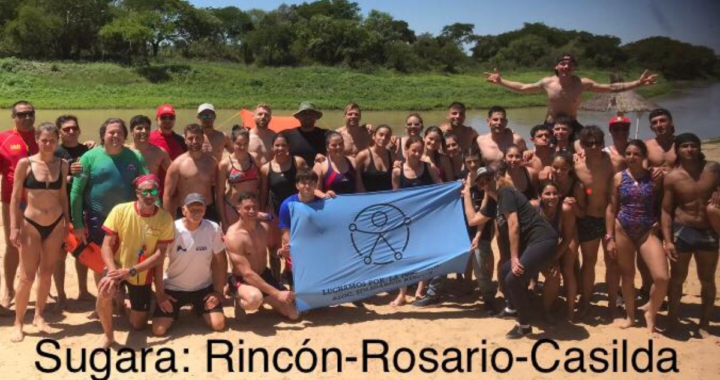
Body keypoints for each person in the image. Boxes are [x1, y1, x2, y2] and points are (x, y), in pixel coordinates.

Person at [465, 163, 558, 339]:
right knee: (504, 270)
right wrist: (466, 196)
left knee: (513, 278)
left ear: (496, 178)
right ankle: (512, 307)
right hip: (533, 244)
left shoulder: (505, 193)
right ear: (480, 186)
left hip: (543, 240)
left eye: (489, 178)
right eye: (482, 182)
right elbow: (473, 220)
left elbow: (513, 225)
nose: (487, 183)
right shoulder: (494, 202)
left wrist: (515, 257)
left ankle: (524, 326)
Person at [485, 54, 657, 138]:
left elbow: (611, 87)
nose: (566, 66)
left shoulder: (582, 83)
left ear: (573, 67)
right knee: (544, 151)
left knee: (590, 143)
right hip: (551, 124)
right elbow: (523, 87)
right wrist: (501, 81)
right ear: (557, 66)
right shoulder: (547, 82)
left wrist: (638, 83)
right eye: (563, 63)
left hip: (573, 124)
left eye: (569, 64)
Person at [95, 174, 174, 348]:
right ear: (137, 193)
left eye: (153, 191)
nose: (149, 195)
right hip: (117, 266)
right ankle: (108, 335)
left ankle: (127, 301)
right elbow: (106, 245)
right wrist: (112, 271)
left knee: (138, 325)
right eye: (145, 191)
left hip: (141, 274)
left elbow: (160, 255)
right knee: (105, 291)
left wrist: (131, 271)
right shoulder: (120, 210)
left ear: (158, 193)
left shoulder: (165, 218)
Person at [9, 123, 70, 342]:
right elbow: (15, 198)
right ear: (37, 139)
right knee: (26, 277)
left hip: (55, 223)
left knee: (46, 272)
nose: (47, 144)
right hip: (31, 224)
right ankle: (18, 322)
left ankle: (39, 315)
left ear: (57, 141)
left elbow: (63, 196)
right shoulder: (25, 164)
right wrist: (14, 227)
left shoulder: (62, 165)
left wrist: (67, 224)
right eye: (44, 140)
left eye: (52, 140)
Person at [71, 118, 148, 281]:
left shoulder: (135, 157)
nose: (115, 135)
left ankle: (120, 299)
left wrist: (155, 215)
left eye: (119, 132)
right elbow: (76, 192)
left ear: (125, 136)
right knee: (101, 261)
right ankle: (105, 299)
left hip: (128, 218)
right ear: (103, 135)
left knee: (127, 257)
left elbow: (149, 187)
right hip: (97, 216)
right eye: (111, 132)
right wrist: (77, 224)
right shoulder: (88, 157)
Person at [661, 133, 720, 338]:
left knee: (707, 279)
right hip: (683, 229)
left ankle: (704, 323)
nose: (689, 150)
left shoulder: (713, 169)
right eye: (684, 146)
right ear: (677, 150)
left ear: (699, 148)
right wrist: (668, 240)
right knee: (677, 279)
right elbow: (666, 210)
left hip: (708, 230)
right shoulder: (673, 177)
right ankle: (672, 319)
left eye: (693, 146)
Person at [606, 140, 668, 334]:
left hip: (647, 230)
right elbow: (611, 208)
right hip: (622, 227)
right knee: (627, 275)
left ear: (644, 156)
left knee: (662, 277)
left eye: (636, 154)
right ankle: (631, 317)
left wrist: (659, 221)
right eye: (628, 153)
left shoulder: (655, 177)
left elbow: (663, 203)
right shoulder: (618, 177)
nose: (631, 157)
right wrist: (610, 237)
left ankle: (651, 311)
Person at [152, 193, 226, 336]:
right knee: (158, 330)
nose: (196, 213)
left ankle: (198, 308)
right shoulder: (172, 229)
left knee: (218, 325)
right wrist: (160, 295)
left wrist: (218, 292)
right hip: (174, 288)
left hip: (203, 288)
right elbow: (158, 263)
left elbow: (221, 262)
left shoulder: (213, 228)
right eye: (192, 209)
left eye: (200, 209)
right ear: (183, 210)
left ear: (205, 210)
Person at [227, 192, 299, 320]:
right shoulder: (234, 236)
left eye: (254, 207)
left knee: (294, 314)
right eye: (247, 208)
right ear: (238, 209)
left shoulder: (264, 227)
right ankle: (239, 298)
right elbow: (247, 274)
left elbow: (273, 249)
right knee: (254, 299)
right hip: (242, 279)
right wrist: (277, 293)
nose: (252, 211)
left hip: (264, 275)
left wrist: (281, 252)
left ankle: (266, 297)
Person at [390, 136, 441, 306]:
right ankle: (402, 293)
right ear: (406, 150)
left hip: (427, 219)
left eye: (420, 151)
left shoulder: (429, 167)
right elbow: (394, 196)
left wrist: (458, 186)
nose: (417, 154)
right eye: (414, 151)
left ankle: (420, 290)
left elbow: (440, 187)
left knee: (424, 255)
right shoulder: (397, 171)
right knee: (403, 257)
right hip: (405, 220)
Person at [574, 126, 617, 318]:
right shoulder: (577, 166)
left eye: (598, 143)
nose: (594, 147)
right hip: (589, 218)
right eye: (589, 143)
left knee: (612, 262)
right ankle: (586, 300)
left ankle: (612, 303)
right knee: (589, 262)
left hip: (610, 218)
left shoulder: (613, 162)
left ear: (603, 143)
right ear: (582, 145)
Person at [0, 101, 39, 310]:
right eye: (21, 115)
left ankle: (41, 292)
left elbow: (67, 148)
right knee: (12, 244)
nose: (26, 118)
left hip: (42, 200)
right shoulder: (3, 138)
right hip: (11, 201)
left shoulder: (43, 135)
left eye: (30, 114)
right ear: (13, 117)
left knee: (40, 246)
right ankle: (8, 289)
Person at [52, 115, 92, 310]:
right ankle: (61, 295)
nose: (70, 132)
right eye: (66, 129)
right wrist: (69, 175)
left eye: (73, 128)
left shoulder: (87, 150)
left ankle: (83, 291)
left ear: (79, 130)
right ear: (59, 132)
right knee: (59, 255)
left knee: (82, 252)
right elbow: (47, 179)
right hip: (59, 209)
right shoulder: (54, 151)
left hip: (81, 209)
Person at [259, 134, 309, 281]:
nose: (280, 148)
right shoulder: (265, 168)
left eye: (283, 145)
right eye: (277, 145)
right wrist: (262, 214)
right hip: (274, 210)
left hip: (296, 210)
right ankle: (275, 279)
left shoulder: (297, 162)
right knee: (274, 247)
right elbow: (263, 192)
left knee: (295, 245)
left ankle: (293, 274)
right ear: (272, 147)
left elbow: (308, 181)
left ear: (288, 147)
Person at [531, 181, 575, 321]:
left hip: (550, 250)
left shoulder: (565, 211)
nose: (552, 197)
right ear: (539, 196)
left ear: (560, 195)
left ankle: (546, 310)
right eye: (547, 193)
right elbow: (521, 234)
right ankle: (518, 307)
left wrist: (553, 258)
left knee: (554, 274)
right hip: (529, 249)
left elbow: (567, 238)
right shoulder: (532, 208)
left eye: (555, 193)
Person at [462, 145, 498, 314]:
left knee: (479, 260)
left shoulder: (485, 179)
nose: (472, 164)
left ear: (480, 160)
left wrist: (478, 235)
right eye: (469, 162)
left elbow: (484, 210)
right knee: (467, 259)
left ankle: (489, 298)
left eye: (475, 161)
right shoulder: (461, 179)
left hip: (483, 224)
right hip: (464, 225)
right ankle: (467, 286)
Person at [277, 169, 324, 290]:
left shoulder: (323, 204)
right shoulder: (287, 205)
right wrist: (292, 250)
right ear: (297, 185)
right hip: (297, 249)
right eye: (303, 183)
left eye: (311, 183)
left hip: (317, 248)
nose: (307, 186)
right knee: (300, 298)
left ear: (316, 185)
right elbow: (285, 234)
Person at [163, 124, 218, 222]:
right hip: (185, 211)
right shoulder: (177, 164)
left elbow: (219, 191)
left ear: (203, 138)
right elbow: (167, 195)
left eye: (198, 138)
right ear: (185, 139)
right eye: (190, 138)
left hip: (208, 211)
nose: (194, 141)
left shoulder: (212, 162)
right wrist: (168, 220)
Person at [217, 126, 261, 230]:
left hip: (251, 207)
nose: (242, 147)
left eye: (245, 144)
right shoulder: (225, 164)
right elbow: (219, 194)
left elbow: (262, 182)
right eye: (238, 144)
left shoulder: (254, 158)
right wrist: (223, 219)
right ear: (232, 143)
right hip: (232, 207)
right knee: (232, 241)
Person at [356, 125, 395, 192]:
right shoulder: (363, 155)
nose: (383, 138)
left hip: (386, 197)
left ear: (389, 139)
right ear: (374, 136)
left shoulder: (391, 155)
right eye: (381, 135)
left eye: (387, 136)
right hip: (368, 196)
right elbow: (355, 175)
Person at [645, 108, 677, 174]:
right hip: (656, 183)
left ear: (671, 123)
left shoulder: (681, 143)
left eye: (662, 121)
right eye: (654, 123)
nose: (658, 125)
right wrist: (650, 169)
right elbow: (640, 170)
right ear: (651, 127)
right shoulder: (646, 146)